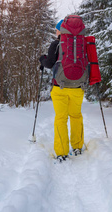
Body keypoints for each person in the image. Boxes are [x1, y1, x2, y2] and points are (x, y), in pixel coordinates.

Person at [39, 19, 84, 162]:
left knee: (61, 119)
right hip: (77, 87)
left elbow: (49, 63)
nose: (55, 32)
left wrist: (42, 60)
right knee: (76, 116)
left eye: (56, 29)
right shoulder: (81, 43)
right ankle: (77, 146)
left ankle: (61, 152)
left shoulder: (56, 44)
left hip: (60, 88)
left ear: (61, 30)